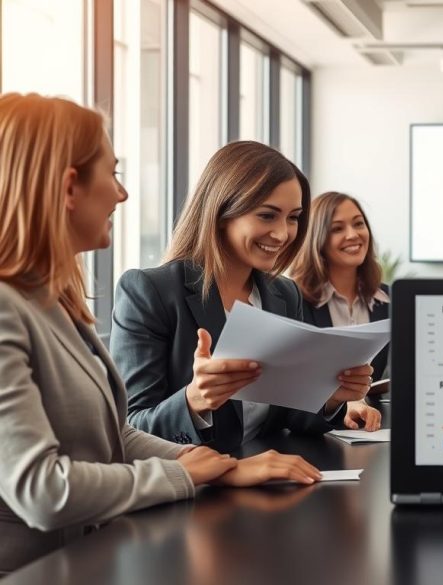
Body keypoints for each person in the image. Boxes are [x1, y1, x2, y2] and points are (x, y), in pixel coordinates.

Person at [0, 95, 319, 575]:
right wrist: (183, 470)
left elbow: (117, 435)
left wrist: (224, 468)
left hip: (91, 554)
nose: (121, 195)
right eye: (113, 174)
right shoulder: (9, 310)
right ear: (70, 188)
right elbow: (44, 492)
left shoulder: (54, 301)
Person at [110, 141, 374, 453]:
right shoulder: (150, 291)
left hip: (266, 478)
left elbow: (287, 411)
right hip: (193, 488)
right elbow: (128, 428)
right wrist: (195, 400)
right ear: (222, 212)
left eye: (293, 217)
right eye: (267, 216)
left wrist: (331, 398)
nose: (282, 234)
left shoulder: (284, 295)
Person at [291, 192, 389, 431]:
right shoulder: (293, 300)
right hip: (312, 432)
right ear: (318, 239)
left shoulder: (389, 299)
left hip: (370, 429)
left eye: (359, 223)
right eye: (337, 228)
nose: (353, 235)